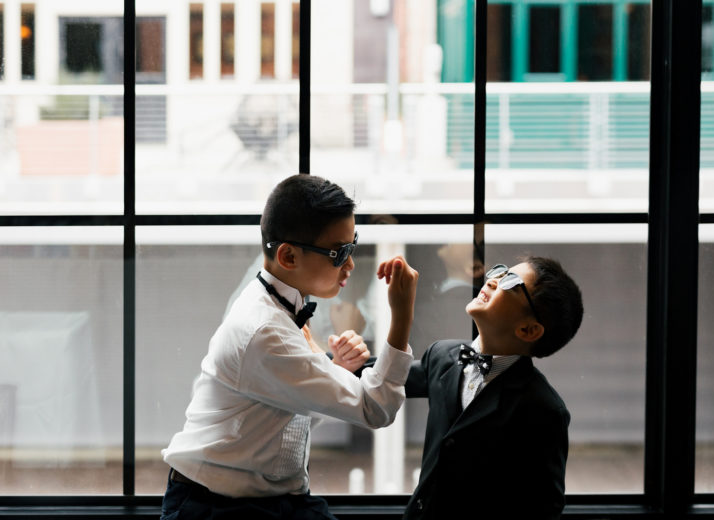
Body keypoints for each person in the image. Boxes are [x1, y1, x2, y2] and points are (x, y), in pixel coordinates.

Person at [161, 174, 418, 519]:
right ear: (288, 256)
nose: (351, 264)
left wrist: (333, 371)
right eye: (339, 253)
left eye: (352, 246)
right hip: (215, 508)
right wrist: (400, 317)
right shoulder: (267, 330)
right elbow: (376, 409)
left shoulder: (281, 309)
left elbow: (281, 416)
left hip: (270, 498)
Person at [386, 255, 583, 520]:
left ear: (528, 329)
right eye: (500, 272)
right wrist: (335, 359)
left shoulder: (543, 409)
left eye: (510, 282)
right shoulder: (442, 355)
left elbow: (543, 508)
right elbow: (388, 376)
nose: (492, 280)